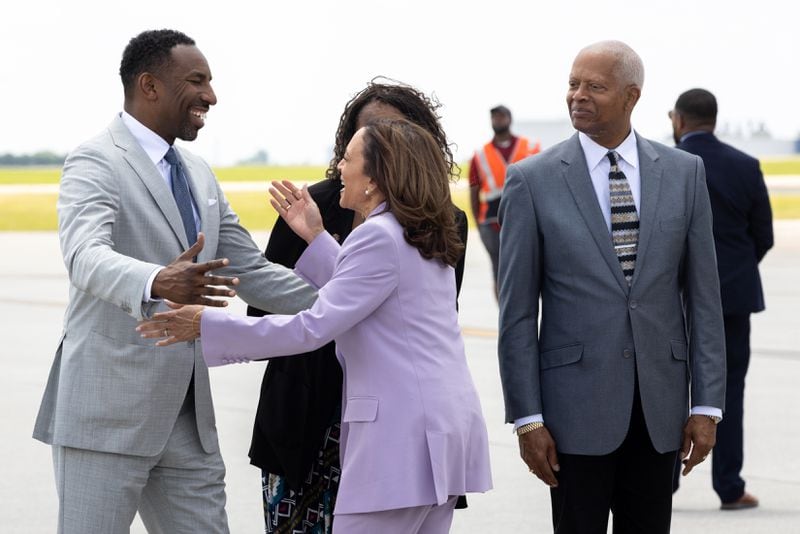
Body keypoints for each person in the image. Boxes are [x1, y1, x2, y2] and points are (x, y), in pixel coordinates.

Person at [138, 118, 493, 534]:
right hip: (442, 439)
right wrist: (317, 236)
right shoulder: (420, 233)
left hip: (400, 445)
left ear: (375, 178)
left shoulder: (377, 236)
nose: (339, 168)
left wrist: (206, 324)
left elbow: (312, 327)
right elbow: (372, 295)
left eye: (347, 159)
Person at [32, 29, 317, 534]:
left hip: (188, 422)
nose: (211, 95)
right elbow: (84, 255)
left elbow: (250, 272)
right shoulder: (95, 159)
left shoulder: (200, 173)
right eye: (197, 81)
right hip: (107, 418)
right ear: (150, 86)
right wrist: (156, 281)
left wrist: (355, 297)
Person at [497, 41, 726, 533]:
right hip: (570, 417)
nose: (578, 96)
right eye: (573, 84)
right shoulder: (531, 180)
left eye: (594, 87)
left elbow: (704, 299)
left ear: (631, 96)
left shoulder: (685, 174)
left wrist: (706, 406)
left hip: (659, 411)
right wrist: (527, 419)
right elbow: (516, 314)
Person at [245, 80, 470, 533]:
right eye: (371, 132)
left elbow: (412, 318)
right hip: (308, 416)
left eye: (396, 131)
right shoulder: (313, 205)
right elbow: (263, 305)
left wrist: (343, 304)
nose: (383, 142)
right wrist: (347, 296)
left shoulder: (444, 221)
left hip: (395, 426)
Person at [669, 88, 773, 510]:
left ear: (678, 120)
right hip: (731, 298)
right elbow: (762, 236)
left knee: (669, 390)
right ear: (714, 118)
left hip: (670, 298)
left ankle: (664, 485)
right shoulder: (745, 165)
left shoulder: (668, 166)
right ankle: (729, 486)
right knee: (729, 392)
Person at [469, 105, 539, 297]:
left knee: (532, 268)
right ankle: (506, 317)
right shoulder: (480, 154)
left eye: (501, 116)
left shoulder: (531, 147)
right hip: (492, 223)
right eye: (494, 117)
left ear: (510, 118)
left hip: (527, 219)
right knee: (500, 272)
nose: (498, 120)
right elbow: (474, 190)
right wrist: (478, 222)